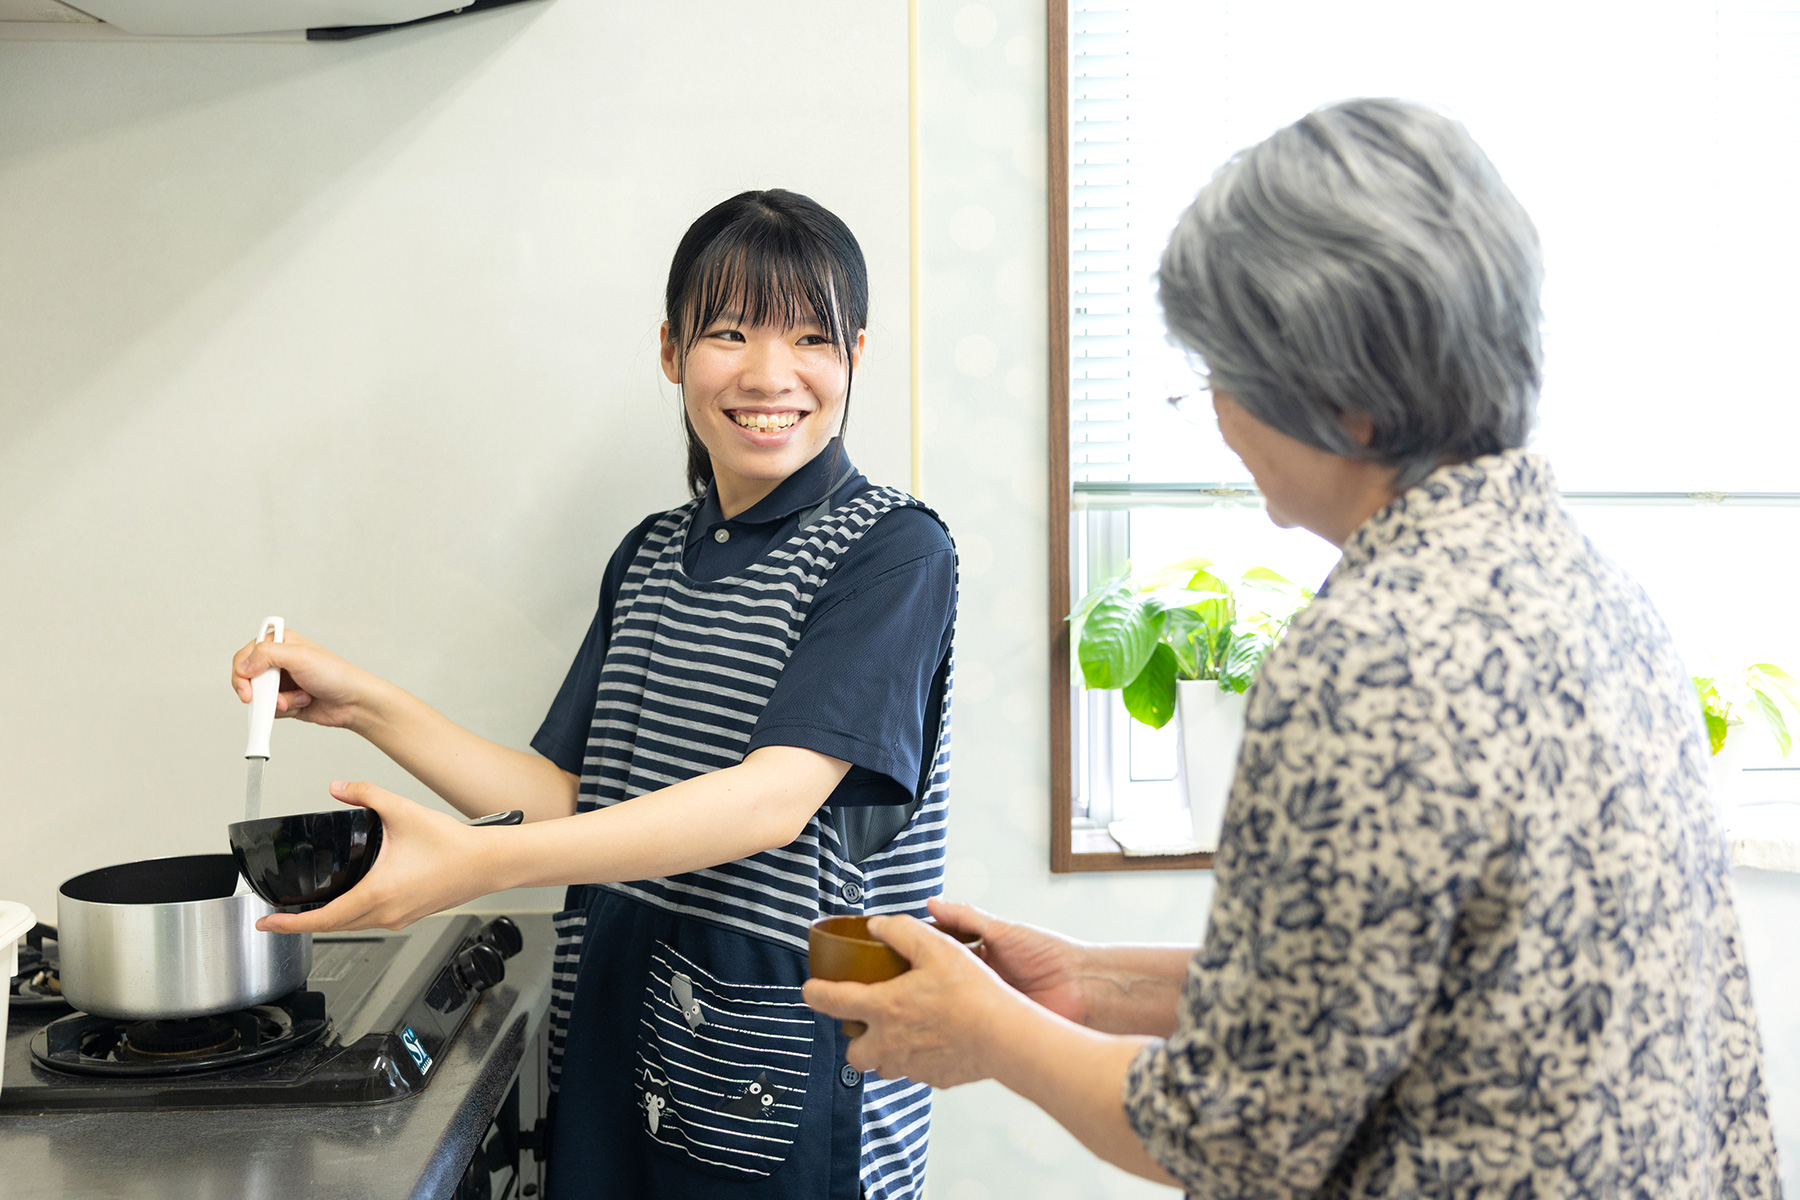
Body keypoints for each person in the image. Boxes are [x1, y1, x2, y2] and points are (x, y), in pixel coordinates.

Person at [804, 99, 1782, 1197]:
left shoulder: (1372, 658)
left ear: (1352, 403)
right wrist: (1089, 980)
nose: (1217, 409)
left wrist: (988, 1033)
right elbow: (1398, 981)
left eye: (1225, 370)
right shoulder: (1593, 591)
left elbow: (1232, 1138)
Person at [232, 189, 958, 1200]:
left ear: (856, 358)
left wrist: (478, 864)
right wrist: (363, 704)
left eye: (808, 337)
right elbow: (571, 797)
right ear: (671, 351)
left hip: (790, 1059)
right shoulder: (655, 554)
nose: (768, 374)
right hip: (623, 1018)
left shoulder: (891, 553)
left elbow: (769, 802)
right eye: (730, 331)